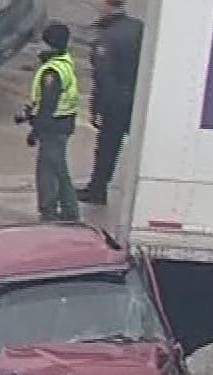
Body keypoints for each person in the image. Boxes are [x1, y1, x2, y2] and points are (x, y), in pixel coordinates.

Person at [77, 0, 143, 206]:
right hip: (138, 97)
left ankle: (98, 189)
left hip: (115, 102)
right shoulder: (138, 27)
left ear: (107, 4)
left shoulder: (107, 36)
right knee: (141, 145)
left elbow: (103, 77)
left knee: (107, 147)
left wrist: (97, 107)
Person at [24, 23, 80, 223]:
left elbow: (48, 105)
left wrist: (34, 131)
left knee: (51, 170)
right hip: (61, 125)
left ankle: (53, 211)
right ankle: (67, 211)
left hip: (53, 128)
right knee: (57, 167)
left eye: (43, 41)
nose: (39, 45)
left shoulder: (52, 72)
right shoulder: (64, 62)